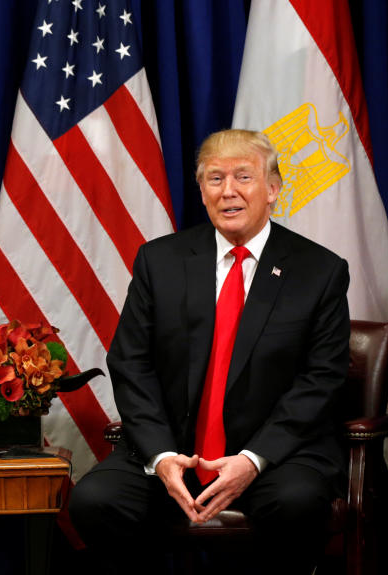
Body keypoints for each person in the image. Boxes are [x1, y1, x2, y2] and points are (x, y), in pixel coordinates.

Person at [68, 129, 350, 574]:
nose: (229, 191)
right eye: (215, 178)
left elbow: (322, 379)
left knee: (298, 503)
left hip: (275, 456)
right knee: (94, 501)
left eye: (244, 176)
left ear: (274, 189)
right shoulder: (159, 262)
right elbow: (130, 362)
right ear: (201, 192)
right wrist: (161, 456)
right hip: (175, 450)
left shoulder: (320, 271)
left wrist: (252, 460)